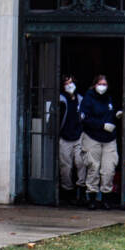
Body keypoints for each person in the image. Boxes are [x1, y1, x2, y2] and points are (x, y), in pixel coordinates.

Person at [79, 74, 122, 210]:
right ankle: (92, 198)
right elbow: (85, 119)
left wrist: (116, 115)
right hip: (92, 137)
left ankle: (106, 197)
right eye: (100, 84)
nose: (102, 87)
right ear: (94, 85)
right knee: (93, 168)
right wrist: (102, 125)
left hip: (109, 139)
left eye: (105, 84)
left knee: (109, 169)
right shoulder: (88, 99)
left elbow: (111, 112)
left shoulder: (109, 98)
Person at [57, 74, 85, 205]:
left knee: (81, 162)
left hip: (78, 136)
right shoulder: (60, 100)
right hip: (64, 137)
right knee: (66, 167)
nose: (69, 85)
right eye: (66, 83)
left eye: (71, 82)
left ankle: (81, 191)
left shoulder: (80, 99)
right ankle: (67, 191)